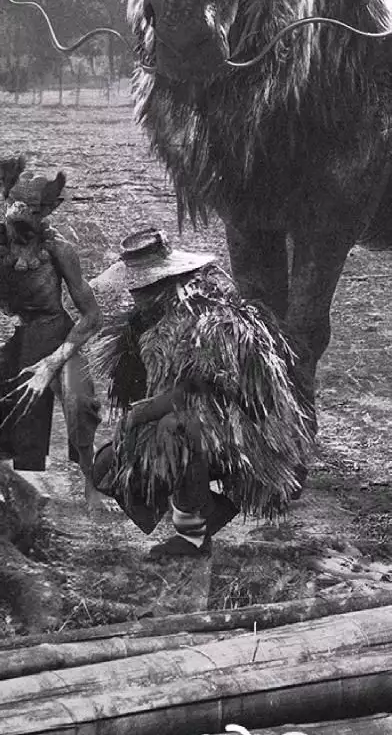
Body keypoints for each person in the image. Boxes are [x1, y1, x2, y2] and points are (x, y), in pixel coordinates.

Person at [86, 227, 314, 560]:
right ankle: (205, 515)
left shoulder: (202, 320)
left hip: (241, 431)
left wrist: (139, 415)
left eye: (139, 286)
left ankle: (194, 537)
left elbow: (190, 392)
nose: (134, 294)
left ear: (158, 282)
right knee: (106, 466)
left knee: (174, 431)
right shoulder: (152, 319)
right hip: (203, 420)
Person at [0, 156, 103, 502]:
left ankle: (92, 483)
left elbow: (91, 316)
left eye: (34, 208)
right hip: (22, 340)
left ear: (46, 212)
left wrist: (51, 364)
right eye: (18, 205)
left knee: (78, 399)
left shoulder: (59, 251)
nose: (25, 214)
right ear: (6, 202)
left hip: (60, 339)